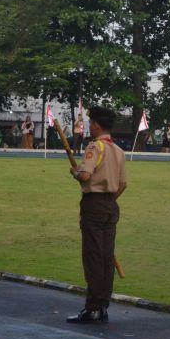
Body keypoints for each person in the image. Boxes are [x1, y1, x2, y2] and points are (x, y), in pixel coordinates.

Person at [66, 106, 127, 324]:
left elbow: (85, 175)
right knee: (106, 257)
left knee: (93, 257)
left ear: (97, 125)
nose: (90, 126)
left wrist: (75, 172)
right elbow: (123, 184)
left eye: (91, 123)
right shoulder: (118, 151)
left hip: (94, 204)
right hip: (111, 204)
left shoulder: (95, 147)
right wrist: (109, 200)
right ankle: (102, 306)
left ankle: (92, 307)